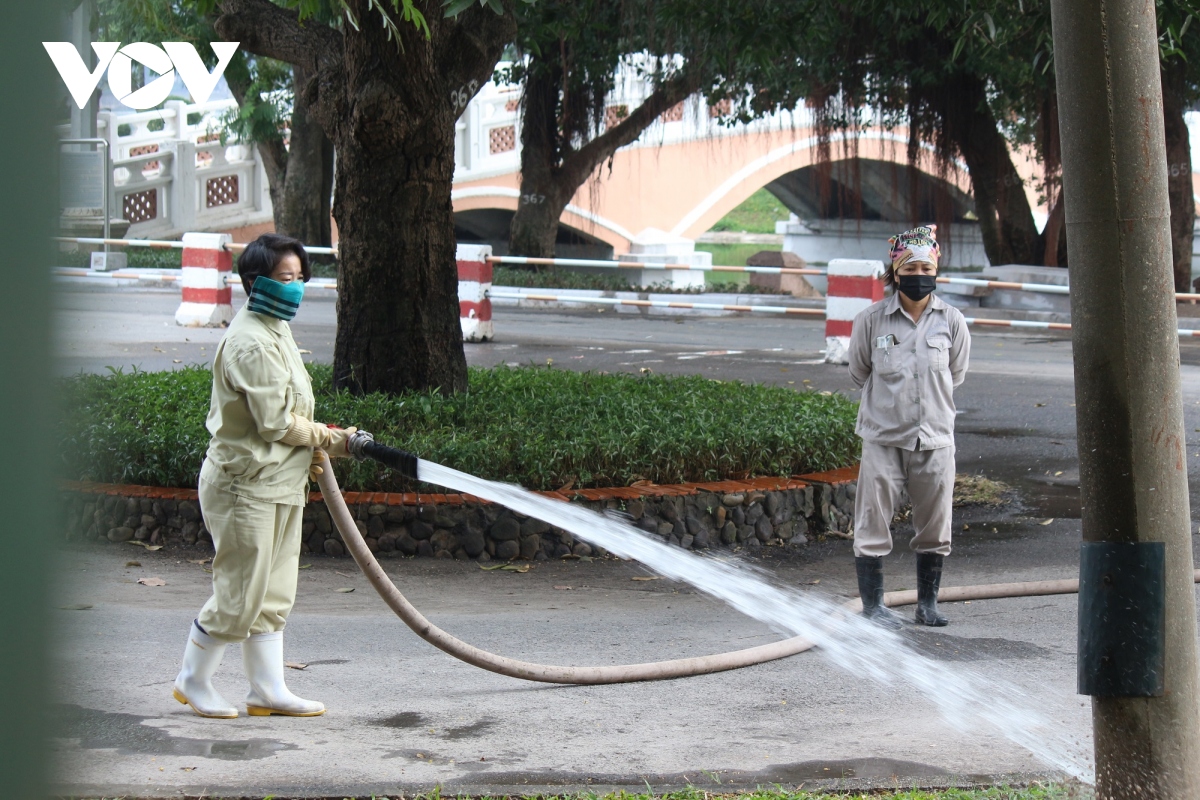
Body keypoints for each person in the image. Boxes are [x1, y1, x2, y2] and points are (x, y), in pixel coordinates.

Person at [173, 233, 360, 718]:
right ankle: (192, 680)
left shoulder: (275, 328)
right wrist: (331, 439)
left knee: (274, 593)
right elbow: (275, 423)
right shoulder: (251, 341)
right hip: (244, 486)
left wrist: (317, 445)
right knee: (240, 592)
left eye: (299, 278)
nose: (295, 287)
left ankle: (267, 690)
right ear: (255, 282)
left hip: (279, 481)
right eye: (284, 278)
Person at [847, 226, 970, 628]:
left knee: (936, 524)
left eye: (926, 266)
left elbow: (956, 374)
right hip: (883, 437)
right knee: (872, 521)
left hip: (935, 439)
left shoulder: (952, 321)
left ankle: (927, 604)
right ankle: (873, 606)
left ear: (936, 270)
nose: (919, 273)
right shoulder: (870, 321)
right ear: (896, 272)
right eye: (910, 266)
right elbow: (859, 370)